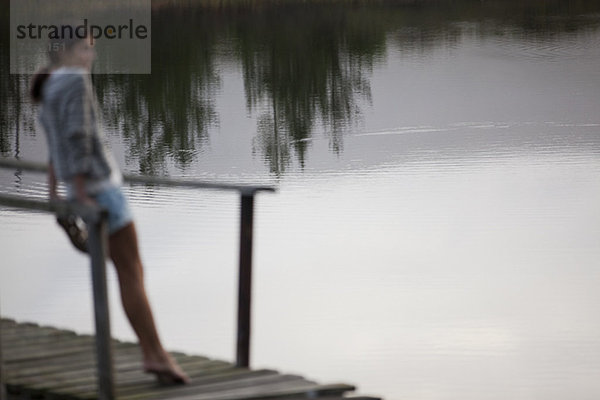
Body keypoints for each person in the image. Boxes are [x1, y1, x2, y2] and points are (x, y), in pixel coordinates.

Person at [29, 29, 190, 385]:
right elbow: (78, 137)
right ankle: (156, 355)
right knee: (132, 274)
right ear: (68, 51)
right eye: (86, 49)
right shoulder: (74, 80)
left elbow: (55, 147)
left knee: (127, 272)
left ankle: (154, 353)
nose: (91, 57)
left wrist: (59, 193)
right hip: (102, 190)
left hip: (80, 190)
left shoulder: (48, 84)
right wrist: (86, 192)